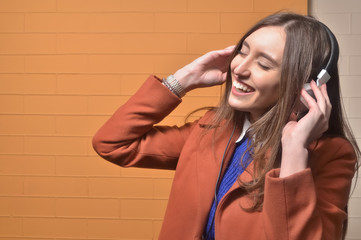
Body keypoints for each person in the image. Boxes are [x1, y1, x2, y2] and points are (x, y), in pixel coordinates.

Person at [92, 12, 359, 240]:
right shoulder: (211, 127)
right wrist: (183, 79)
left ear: (305, 86)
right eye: (241, 52)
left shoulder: (330, 154)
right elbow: (113, 144)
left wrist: (294, 150)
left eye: (263, 64)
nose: (240, 68)